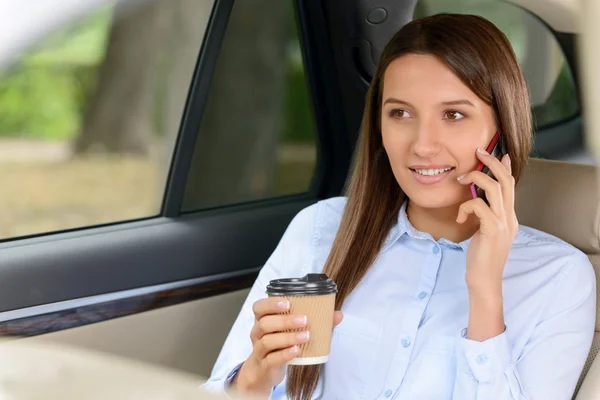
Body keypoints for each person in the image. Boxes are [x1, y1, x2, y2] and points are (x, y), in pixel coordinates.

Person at [201, 13, 596, 400]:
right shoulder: (319, 229)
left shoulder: (558, 278)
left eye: (454, 114)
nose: (423, 145)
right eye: (401, 113)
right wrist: (253, 378)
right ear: (380, 128)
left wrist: (485, 291)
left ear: (502, 129)